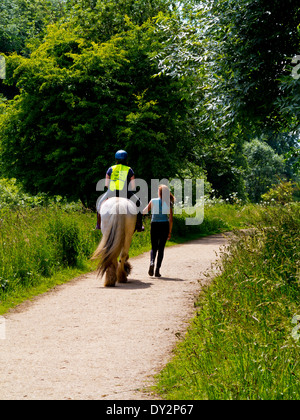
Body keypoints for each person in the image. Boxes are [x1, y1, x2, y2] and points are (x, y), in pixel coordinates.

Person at [96, 150, 144, 232]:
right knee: (139, 204)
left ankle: (98, 225)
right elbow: (133, 186)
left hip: (111, 192)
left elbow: (106, 184)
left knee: (99, 203)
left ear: (116, 160)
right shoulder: (129, 170)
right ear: (126, 160)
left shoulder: (111, 169)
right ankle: (139, 225)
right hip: (125, 193)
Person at [143, 185, 174, 278]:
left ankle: (152, 262)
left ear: (159, 192)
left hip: (154, 225)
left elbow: (144, 212)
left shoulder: (153, 201)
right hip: (164, 225)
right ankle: (157, 270)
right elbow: (171, 219)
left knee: (154, 247)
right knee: (161, 249)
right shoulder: (168, 203)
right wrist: (169, 231)